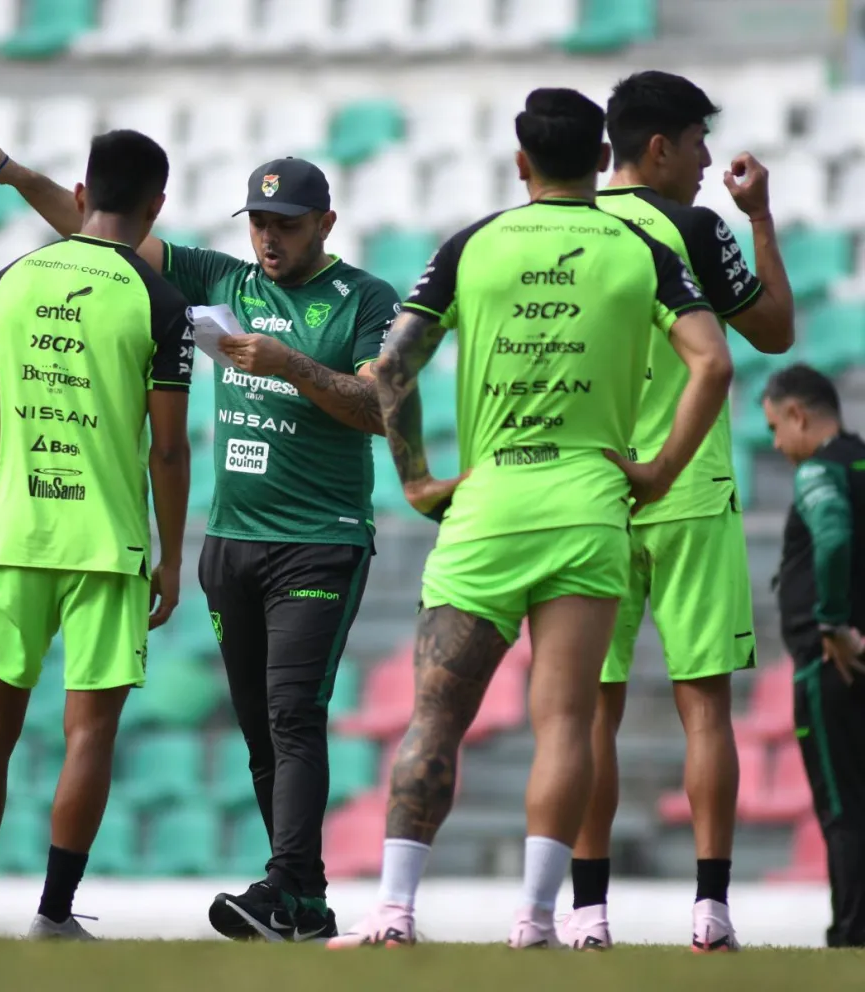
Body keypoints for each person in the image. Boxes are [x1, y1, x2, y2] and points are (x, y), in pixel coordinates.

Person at [0, 120, 400, 942]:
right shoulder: (220, 279)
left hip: (320, 535)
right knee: (263, 732)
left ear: (326, 226)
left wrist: (292, 366)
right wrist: (15, 174)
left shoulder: (366, 299)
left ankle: (282, 886)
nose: (269, 239)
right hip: (232, 541)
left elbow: (379, 408)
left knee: (293, 713)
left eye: (288, 225)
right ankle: (302, 900)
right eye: (260, 223)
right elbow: (100, 240)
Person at [328, 87, 733, 949]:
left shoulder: (472, 245)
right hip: (589, 508)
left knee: (435, 715)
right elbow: (714, 366)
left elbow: (391, 369)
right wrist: (660, 470)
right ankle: (539, 919)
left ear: (520, 162)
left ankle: (395, 910)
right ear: (599, 160)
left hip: (487, 507)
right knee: (567, 721)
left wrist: (416, 478)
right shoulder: (639, 246)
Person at [559, 70, 796, 952]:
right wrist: (761, 218)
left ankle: (586, 914)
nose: (704, 161)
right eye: (697, 142)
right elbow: (773, 332)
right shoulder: (693, 228)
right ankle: (711, 909)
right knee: (706, 709)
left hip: (591, 495)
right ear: (657, 147)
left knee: (587, 710)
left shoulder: (562, 230)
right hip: (688, 486)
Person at [0, 129, 192, 940]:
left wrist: (16, 502)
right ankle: (54, 915)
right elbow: (166, 445)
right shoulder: (157, 299)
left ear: (83, 194)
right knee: (89, 731)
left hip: (18, 533)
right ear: (157, 206)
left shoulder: (7, 282)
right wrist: (172, 556)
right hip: (109, 545)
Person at [763, 363, 865, 948]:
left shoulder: (820, 473)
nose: (777, 444)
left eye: (778, 427)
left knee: (843, 806)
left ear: (799, 414)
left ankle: (850, 936)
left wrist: (830, 622)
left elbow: (831, 534)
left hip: (832, 665)